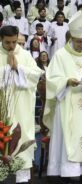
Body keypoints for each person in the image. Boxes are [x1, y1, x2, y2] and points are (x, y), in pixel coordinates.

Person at [43, 11, 82, 184]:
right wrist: (66, 82)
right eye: (78, 41)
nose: (81, 45)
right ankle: (65, 172)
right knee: (67, 136)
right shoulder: (60, 55)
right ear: (71, 37)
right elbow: (51, 78)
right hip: (67, 104)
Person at [0, 26, 43, 183]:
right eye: (7, 42)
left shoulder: (24, 55)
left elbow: (36, 75)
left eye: (13, 42)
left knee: (22, 137)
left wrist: (18, 67)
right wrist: (7, 70)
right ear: (1, 39)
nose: (11, 46)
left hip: (22, 110)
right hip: (2, 108)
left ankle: (22, 179)